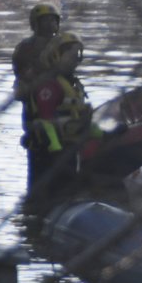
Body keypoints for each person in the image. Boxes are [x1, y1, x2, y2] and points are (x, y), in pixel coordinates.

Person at [24, 32, 98, 187]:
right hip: (49, 153)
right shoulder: (49, 86)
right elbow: (46, 120)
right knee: (50, 193)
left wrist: (103, 134)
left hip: (68, 148)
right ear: (57, 56)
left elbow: (80, 116)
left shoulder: (72, 85)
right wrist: (55, 147)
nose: (75, 60)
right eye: (71, 55)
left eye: (78, 55)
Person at [13, 2, 62, 94]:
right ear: (36, 23)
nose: (51, 23)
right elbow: (21, 72)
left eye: (53, 20)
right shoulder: (25, 46)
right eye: (46, 20)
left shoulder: (62, 43)